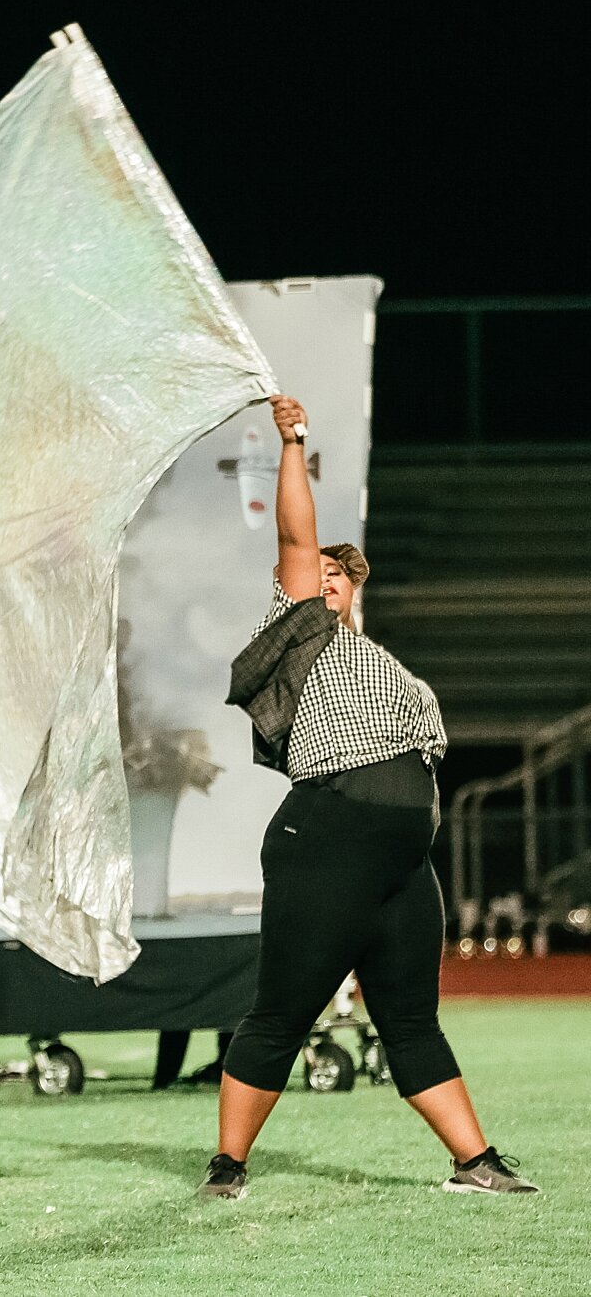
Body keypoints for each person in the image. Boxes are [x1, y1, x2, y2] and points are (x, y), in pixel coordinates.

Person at [201, 394, 536, 1200]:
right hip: (329, 832)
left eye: (334, 574)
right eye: (311, 573)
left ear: (352, 589)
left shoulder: (377, 657)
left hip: (399, 853)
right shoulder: (302, 633)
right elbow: (293, 534)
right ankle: (227, 1167)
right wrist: (295, 442)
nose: (320, 576)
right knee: (283, 1012)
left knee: (412, 1020)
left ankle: (474, 1162)